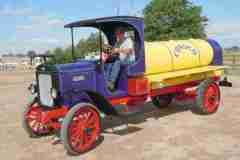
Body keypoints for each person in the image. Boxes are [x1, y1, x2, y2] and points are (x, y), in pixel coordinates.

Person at [103, 27, 135, 91]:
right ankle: (105, 82)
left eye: (118, 34)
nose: (117, 35)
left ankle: (111, 83)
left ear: (122, 33)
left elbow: (129, 51)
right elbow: (113, 50)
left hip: (129, 60)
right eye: (116, 34)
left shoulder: (128, 40)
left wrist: (119, 50)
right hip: (121, 60)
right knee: (109, 63)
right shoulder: (118, 42)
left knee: (117, 62)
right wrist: (108, 50)